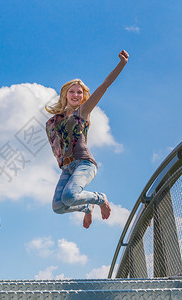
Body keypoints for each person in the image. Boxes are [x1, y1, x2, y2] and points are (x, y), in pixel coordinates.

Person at [45, 50, 129, 229]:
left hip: (84, 164)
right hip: (67, 167)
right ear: (65, 95)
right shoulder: (54, 121)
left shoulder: (82, 112)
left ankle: (100, 198)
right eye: (72, 92)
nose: (76, 95)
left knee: (69, 196)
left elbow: (104, 86)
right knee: (58, 207)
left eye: (80, 92)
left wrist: (121, 64)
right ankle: (87, 207)